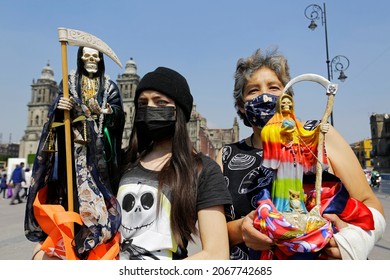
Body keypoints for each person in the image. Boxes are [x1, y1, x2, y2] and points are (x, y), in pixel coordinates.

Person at [216, 48, 386, 260]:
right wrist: (242, 229)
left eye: (274, 87)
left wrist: (350, 241)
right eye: (253, 91)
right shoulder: (226, 156)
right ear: (241, 106)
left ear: (288, 96)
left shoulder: (321, 135)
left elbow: (371, 203)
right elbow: (212, 233)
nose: (265, 97)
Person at [118, 66, 232, 260]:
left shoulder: (202, 170)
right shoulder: (124, 162)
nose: (150, 108)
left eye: (160, 102)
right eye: (143, 103)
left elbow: (217, 254)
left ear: (179, 111)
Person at [25, 46, 124, 260]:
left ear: (100, 60)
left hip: (99, 154)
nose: (91, 60)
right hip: (73, 152)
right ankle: (71, 236)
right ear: (80, 58)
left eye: (95, 57)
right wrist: (60, 105)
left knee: (102, 195)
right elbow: (58, 111)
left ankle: (100, 237)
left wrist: (106, 111)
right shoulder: (68, 83)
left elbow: (118, 114)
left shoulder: (110, 86)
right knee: (70, 195)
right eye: (86, 56)